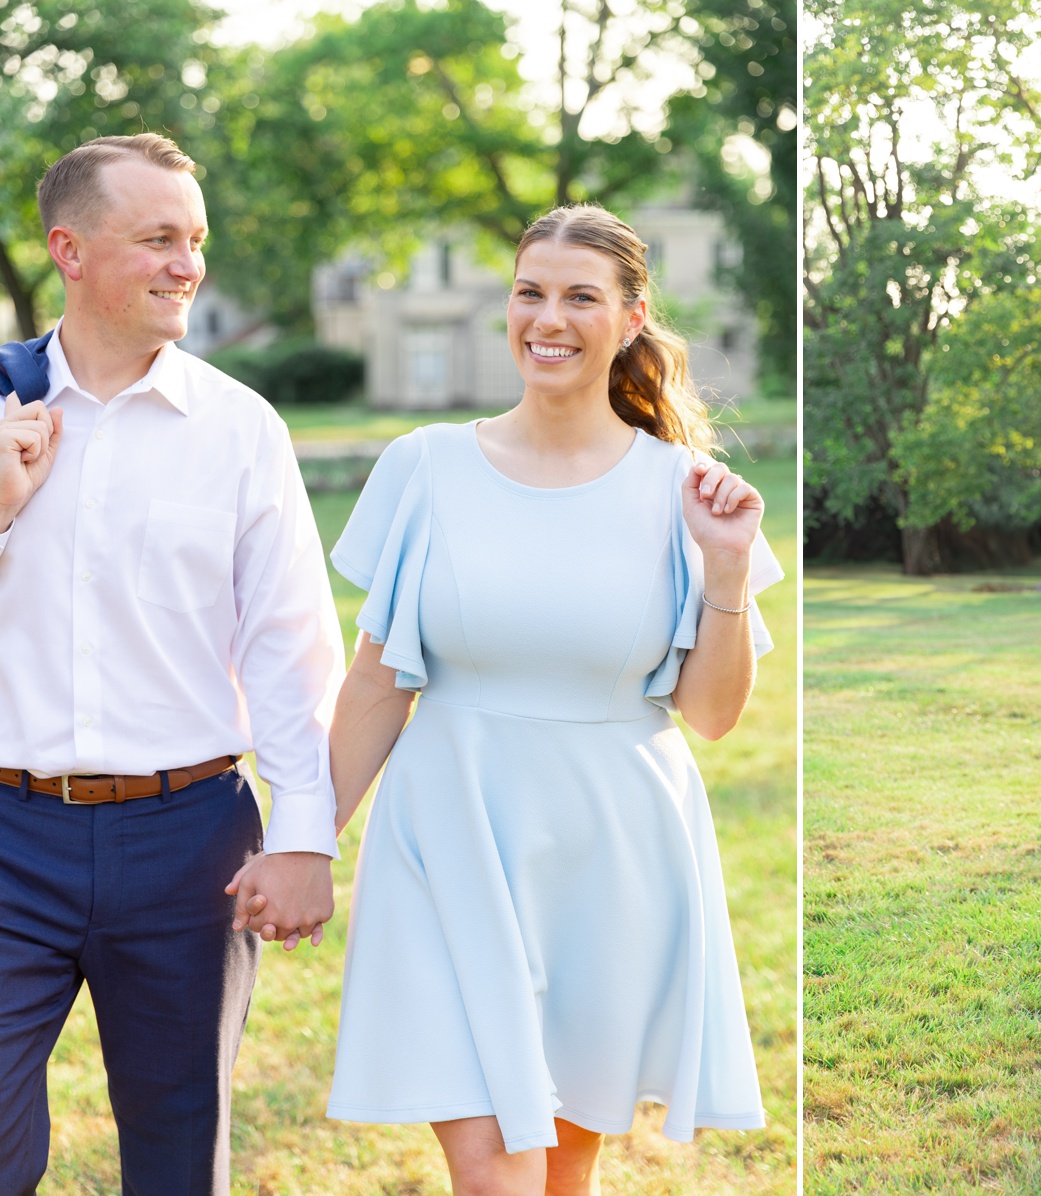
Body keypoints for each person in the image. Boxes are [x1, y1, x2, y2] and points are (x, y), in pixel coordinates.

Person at [323, 205, 781, 1194]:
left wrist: (728, 573)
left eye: (580, 296)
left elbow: (710, 712)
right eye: (529, 292)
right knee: (496, 1171)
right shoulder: (426, 465)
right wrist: (306, 837)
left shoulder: (685, 490)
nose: (548, 318)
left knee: (563, 1175)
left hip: (610, 849)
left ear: (631, 316)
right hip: (447, 830)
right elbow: (375, 676)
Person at [0, 134, 343, 1193]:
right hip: (8, 834)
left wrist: (303, 836)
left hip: (188, 839)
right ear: (70, 248)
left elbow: (289, 648)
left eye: (194, 240)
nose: (186, 263)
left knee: (176, 1151)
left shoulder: (240, 430)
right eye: (157, 237)